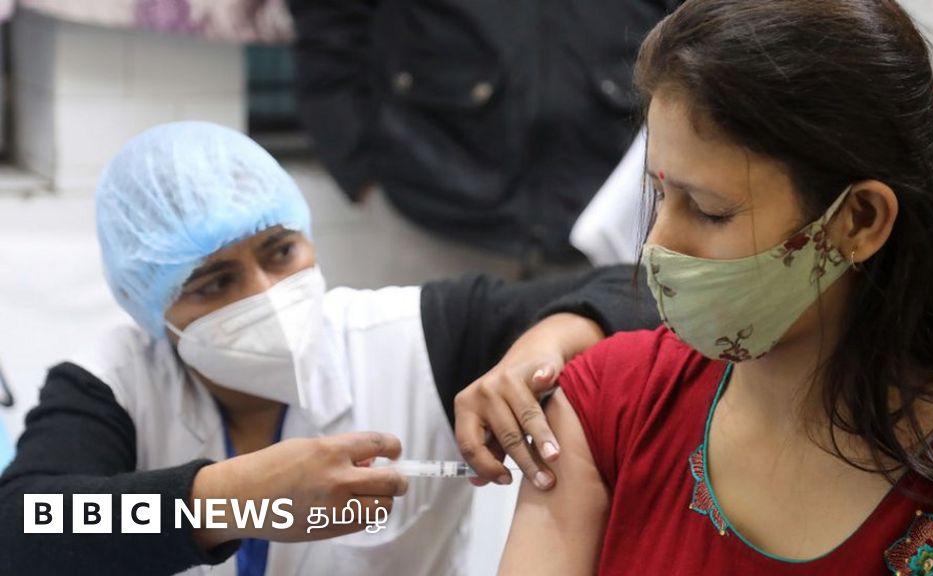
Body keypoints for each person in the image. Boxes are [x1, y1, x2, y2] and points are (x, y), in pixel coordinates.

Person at [495, 1, 933, 574]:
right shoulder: (607, 400)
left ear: (859, 221)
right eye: (660, 195)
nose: (657, 245)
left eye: (709, 210)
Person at [0, 122, 657, 576]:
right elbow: (24, 526)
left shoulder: (415, 333)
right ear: (152, 306)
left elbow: (638, 292)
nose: (265, 294)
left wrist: (544, 341)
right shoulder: (113, 382)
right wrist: (234, 499)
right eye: (215, 282)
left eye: (281, 251)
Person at [287, 0, 680, 281]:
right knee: (432, 374)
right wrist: (356, 160)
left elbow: (697, 26)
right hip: (432, 204)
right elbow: (329, 20)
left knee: (609, 374)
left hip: (618, 206)